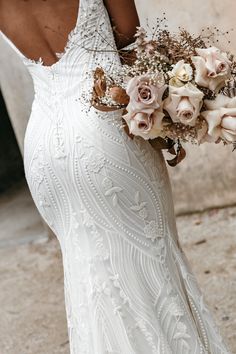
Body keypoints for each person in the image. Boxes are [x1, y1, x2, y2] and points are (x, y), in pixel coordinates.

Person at [0, 0, 231, 353]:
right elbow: (131, 47)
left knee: (92, 286)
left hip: (45, 144)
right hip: (106, 129)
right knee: (155, 270)